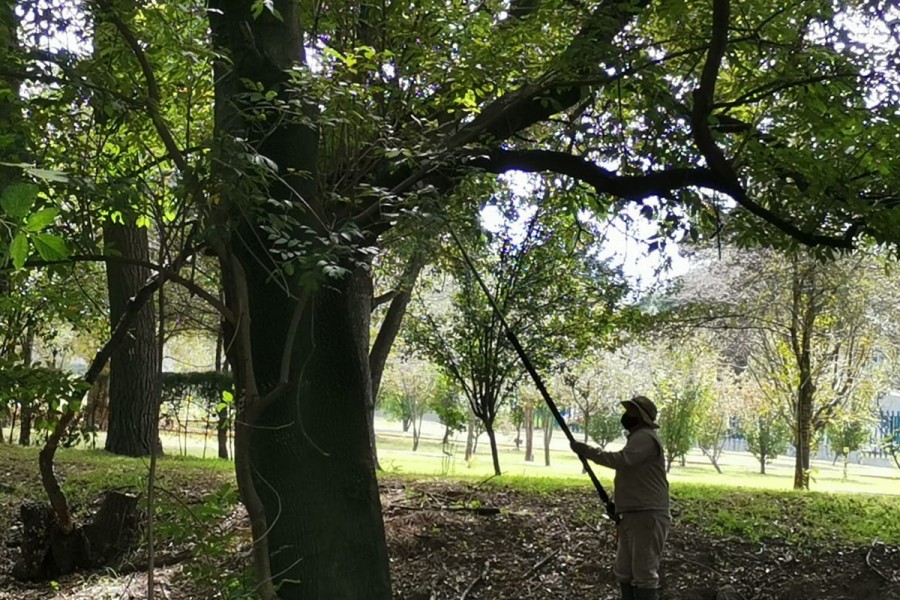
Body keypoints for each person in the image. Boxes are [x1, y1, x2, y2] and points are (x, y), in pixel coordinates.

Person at [571, 395, 670, 600]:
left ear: (641, 417)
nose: (627, 415)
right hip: (633, 513)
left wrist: (588, 451)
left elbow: (622, 461)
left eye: (631, 411)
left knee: (644, 573)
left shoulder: (645, 437)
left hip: (647, 514)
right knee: (624, 570)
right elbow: (633, 475)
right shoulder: (638, 438)